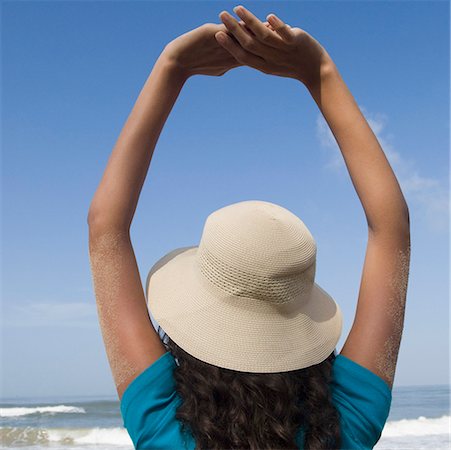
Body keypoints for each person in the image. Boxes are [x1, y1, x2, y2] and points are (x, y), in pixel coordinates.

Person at [87, 5, 411, 450]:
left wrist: (172, 68)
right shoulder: (346, 423)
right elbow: (391, 229)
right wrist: (320, 73)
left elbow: (105, 229)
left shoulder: (163, 424)